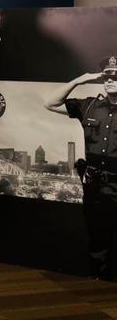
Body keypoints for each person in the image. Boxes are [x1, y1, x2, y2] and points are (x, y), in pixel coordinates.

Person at [44, 55, 117, 280]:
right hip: (95, 186)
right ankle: (97, 283)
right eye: (107, 75)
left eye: (116, 75)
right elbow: (50, 103)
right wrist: (79, 80)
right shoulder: (89, 106)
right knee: (97, 238)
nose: (110, 79)